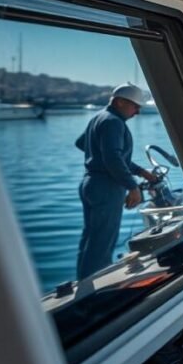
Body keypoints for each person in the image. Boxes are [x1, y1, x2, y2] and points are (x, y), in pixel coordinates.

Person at [74, 83, 157, 279]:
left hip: (90, 183)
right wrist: (133, 186)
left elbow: (82, 144)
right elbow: (113, 158)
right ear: (120, 102)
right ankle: (96, 297)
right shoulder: (114, 122)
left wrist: (141, 172)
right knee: (102, 242)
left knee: (91, 239)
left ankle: (83, 287)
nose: (137, 111)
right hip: (107, 186)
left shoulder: (99, 117)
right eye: (135, 106)